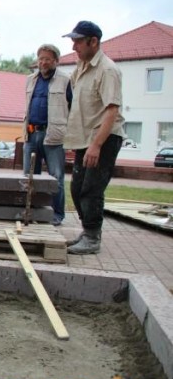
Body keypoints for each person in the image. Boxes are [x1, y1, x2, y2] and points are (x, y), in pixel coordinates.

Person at [62, 21, 126, 254]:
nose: (74, 45)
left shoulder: (107, 70)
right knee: (77, 189)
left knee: (91, 189)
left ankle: (92, 237)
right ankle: (87, 231)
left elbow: (112, 110)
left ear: (93, 41)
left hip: (103, 139)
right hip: (85, 138)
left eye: (78, 41)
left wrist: (97, 145)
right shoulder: (81, 67)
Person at [23, 44, 72, 226]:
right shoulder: (30, 80)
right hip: (31, 134)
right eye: (41, 59)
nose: (43, 62)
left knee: (56, 177)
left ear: (56, 61)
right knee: (29, 177)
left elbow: (72, 109)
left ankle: (57, 214)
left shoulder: (66, 80)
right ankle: (33, 212)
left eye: (47, 59)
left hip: (53, 136)